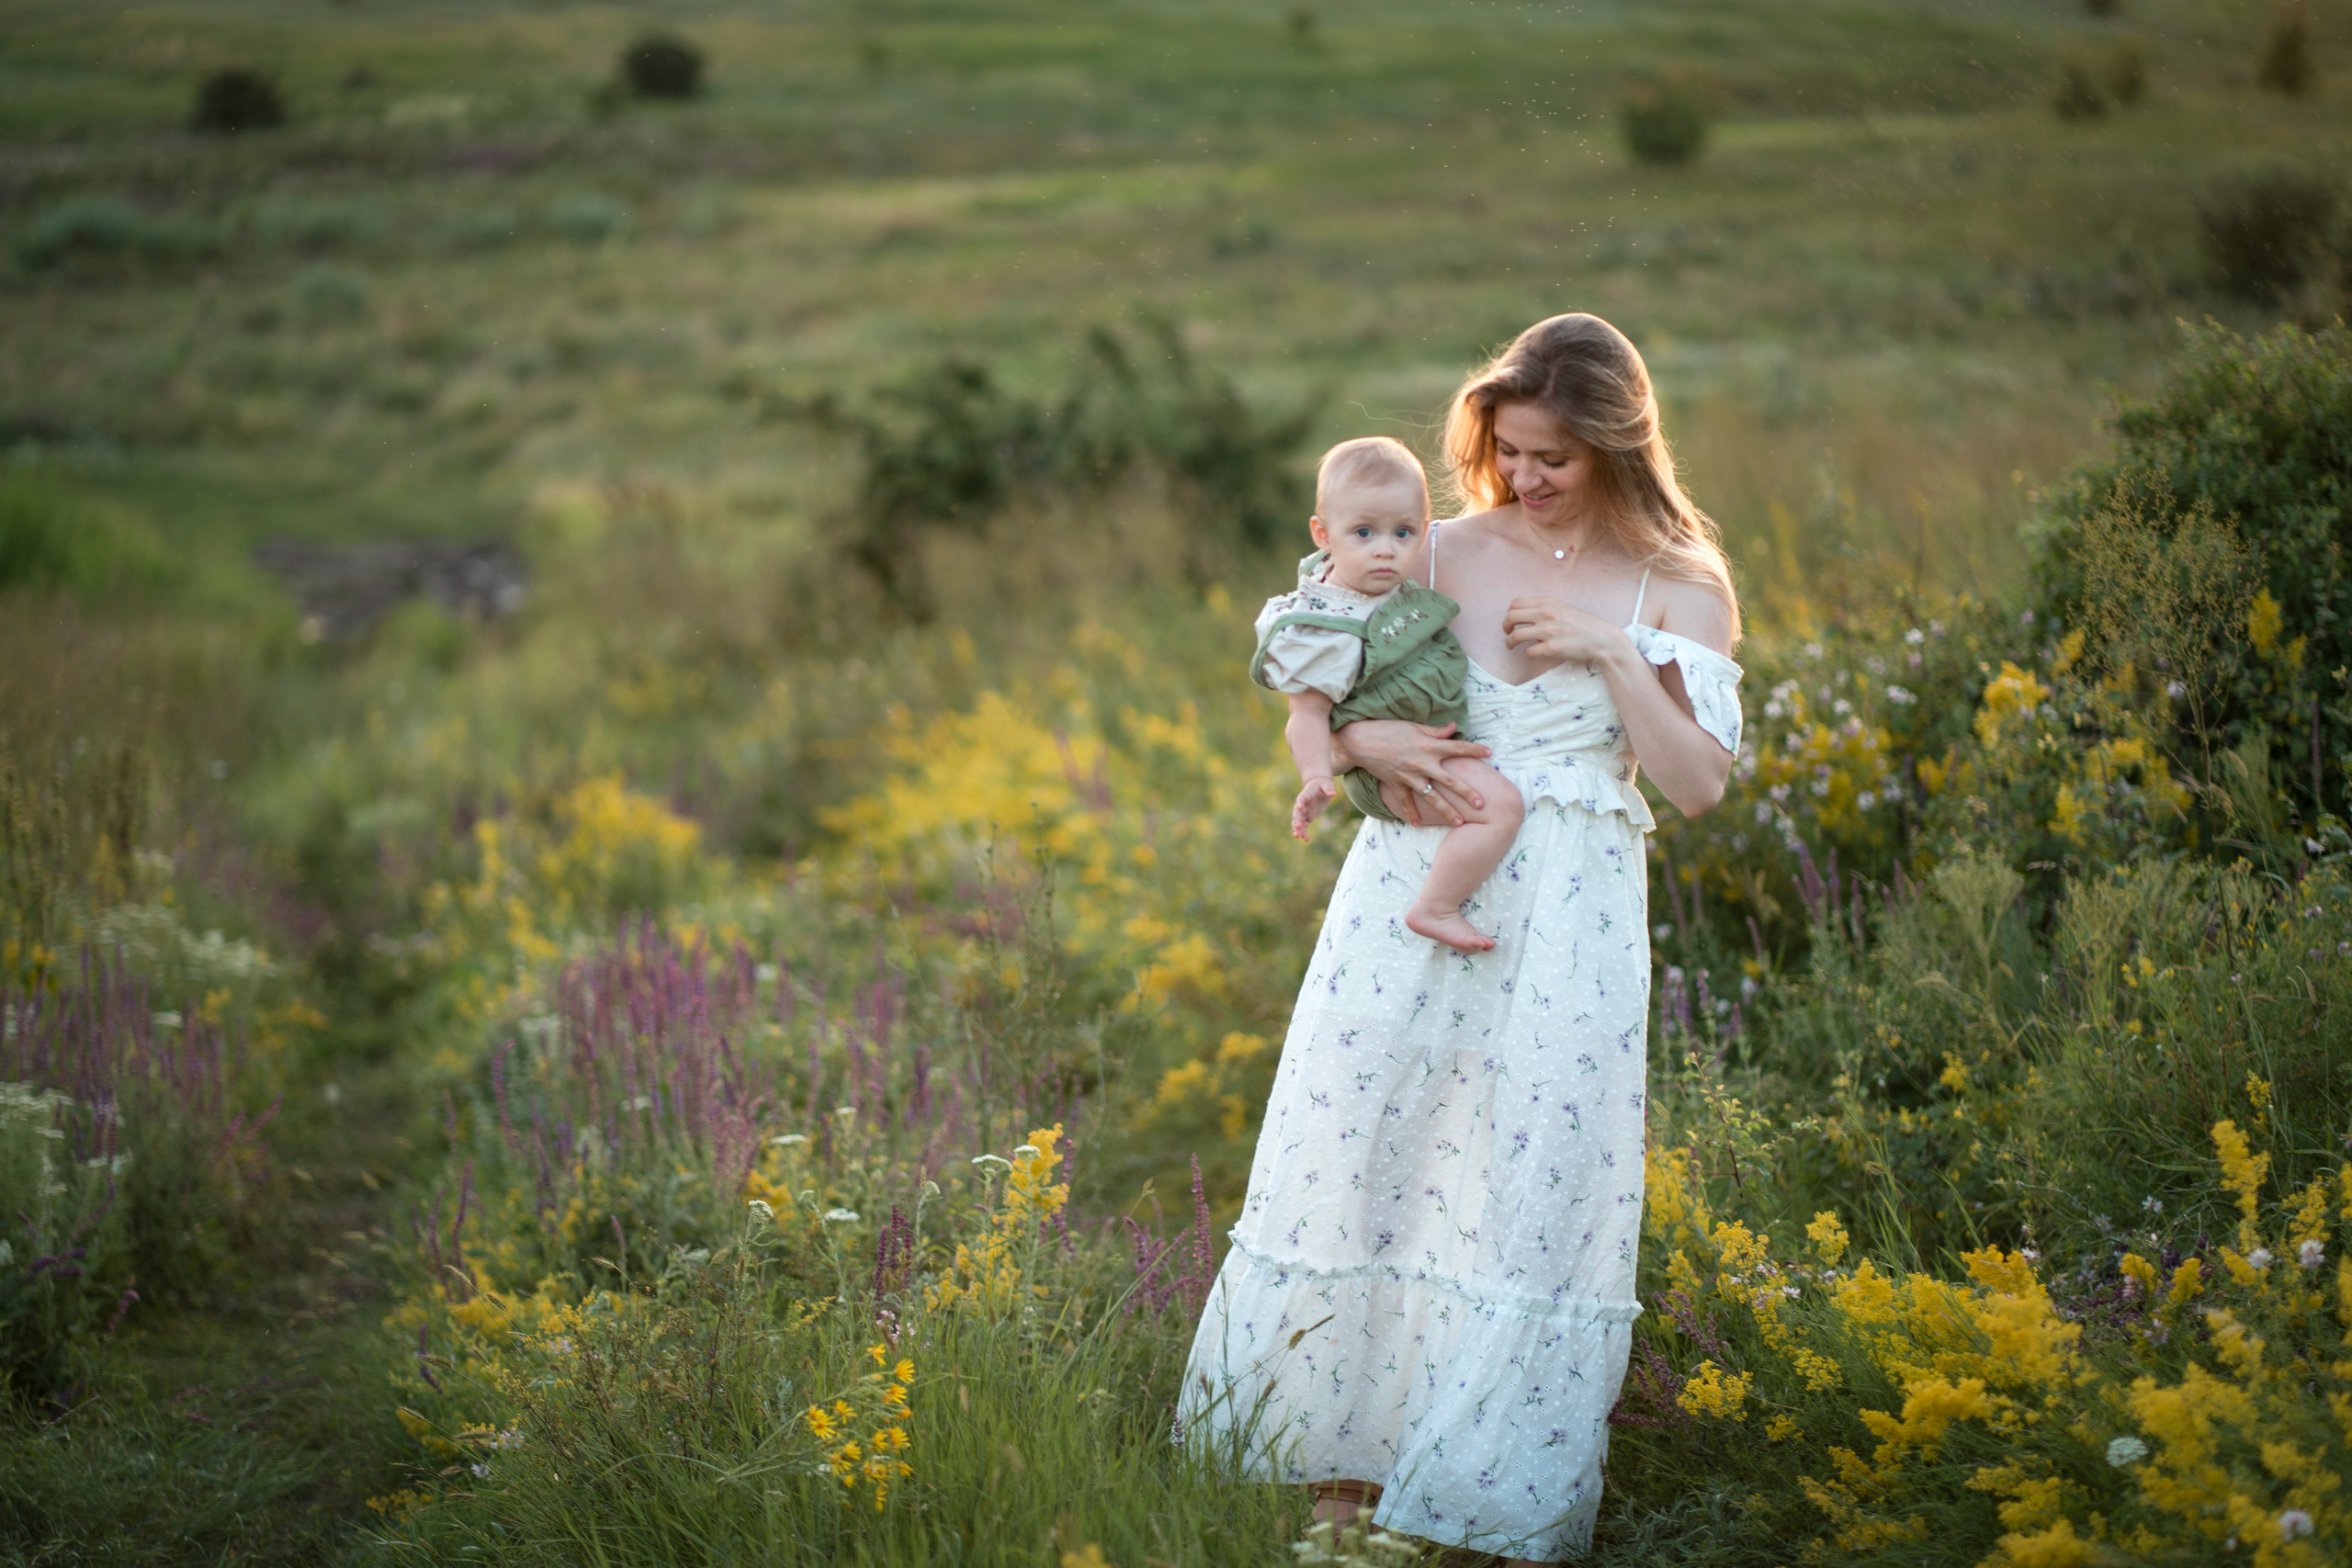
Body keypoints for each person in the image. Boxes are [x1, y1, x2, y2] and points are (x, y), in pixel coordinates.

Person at [1179, 313, 1745, 1565]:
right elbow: (1312, 664)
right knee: (1372, 1148)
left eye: (1554, 454)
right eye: (1508, 448)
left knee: (1531, 1181)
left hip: (1571, 918)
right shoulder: (1437, 551)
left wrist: (1608, 649)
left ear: (1617, 442)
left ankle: (1476, 1499)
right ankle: (1335, 1474)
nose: (1524, 477)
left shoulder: (1679, 585)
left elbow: (1697, 783)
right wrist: (1361, 743)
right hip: (1410, 893)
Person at [1255, 436, 1523, 953]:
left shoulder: (1385, 588)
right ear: (1323, 534)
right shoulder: (1325, 623)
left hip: (1422, 745)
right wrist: (1314, 778)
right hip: (1388, 773)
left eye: (1403, 532)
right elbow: (1305, 714)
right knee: (1502, 807)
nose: (1385, 549)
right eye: (1363, 532)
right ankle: (1436, 907)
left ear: (1424, 531)